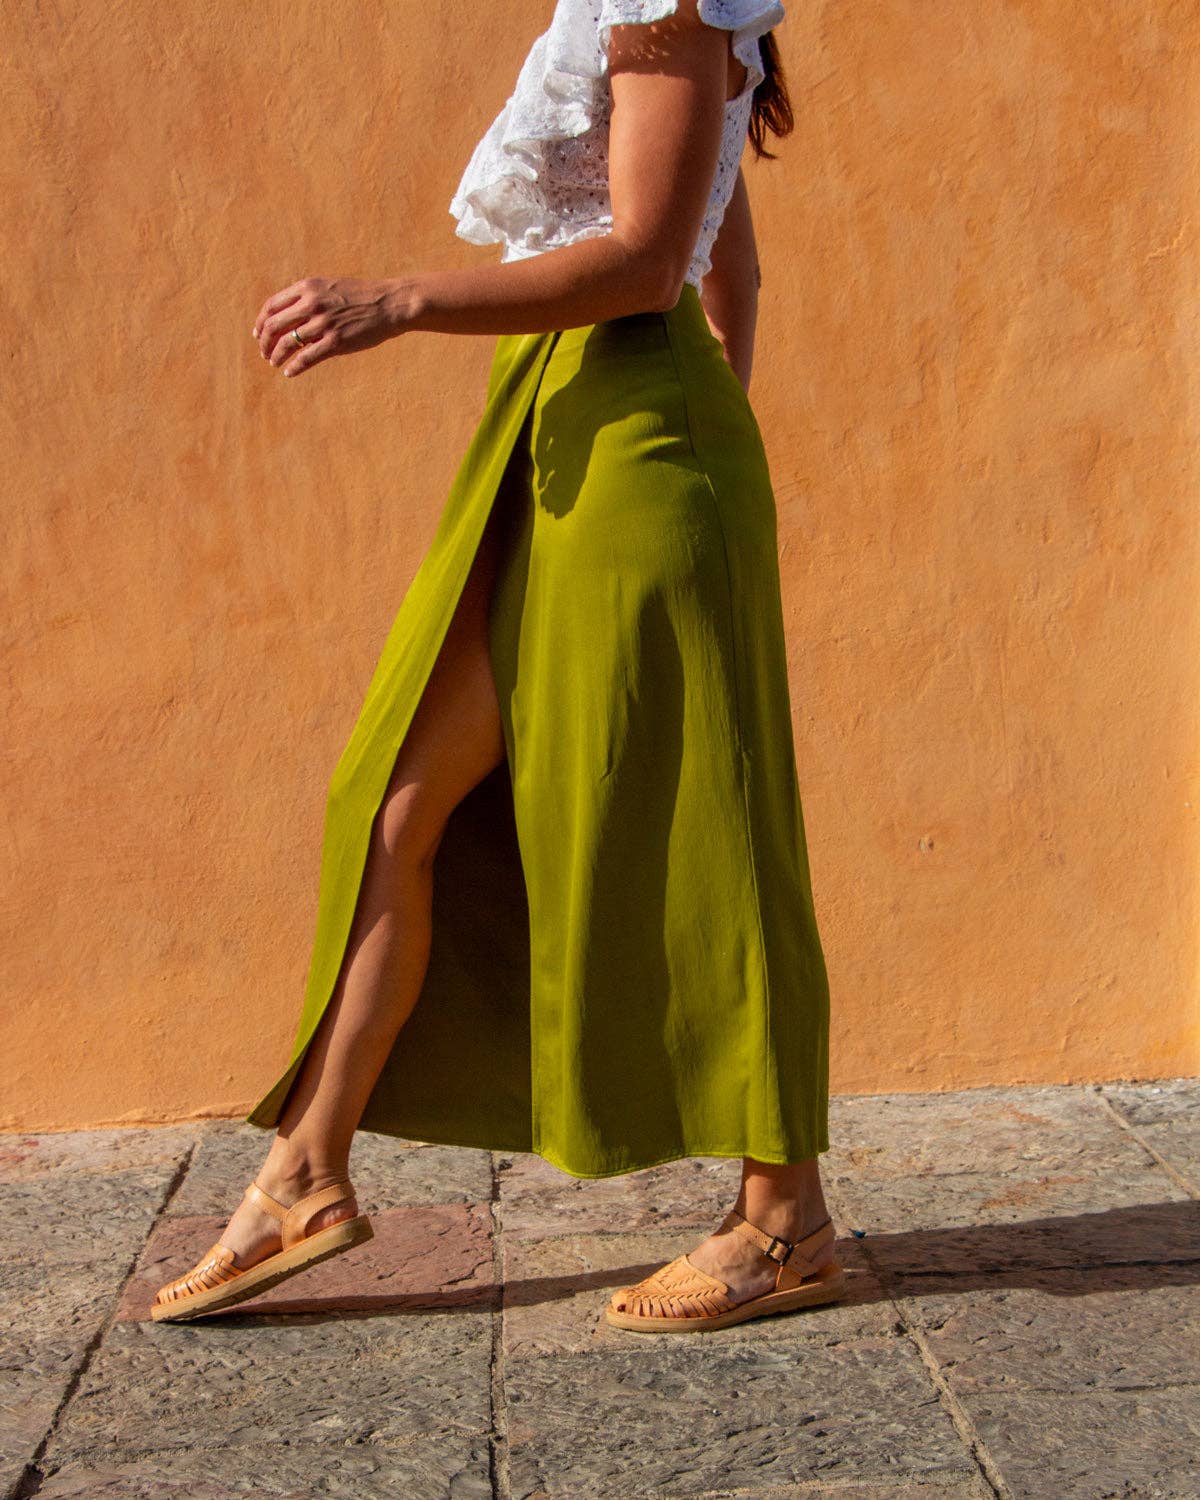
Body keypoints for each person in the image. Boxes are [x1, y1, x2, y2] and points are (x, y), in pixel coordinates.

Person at [152, 0, 846, 1334]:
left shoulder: (669, 3)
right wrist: (700, 425)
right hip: (555, 430)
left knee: (716, 831)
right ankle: (305, 1175)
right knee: (394, 804)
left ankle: (786, 1220)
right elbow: (731, 266)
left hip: (633, 436)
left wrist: (400, 300)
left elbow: (650, 260)